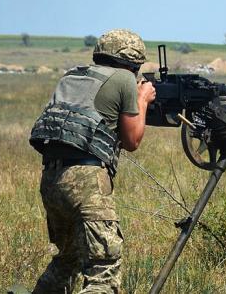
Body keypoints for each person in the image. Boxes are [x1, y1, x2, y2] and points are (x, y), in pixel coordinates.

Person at [29, 29, 156, 293]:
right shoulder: (123, 79)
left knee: (67, 260)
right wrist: (142, 100)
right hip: (87, 181)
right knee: (103, 270)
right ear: (132, 62)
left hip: (52, 180)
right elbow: (132, 141)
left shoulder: (73, 75)